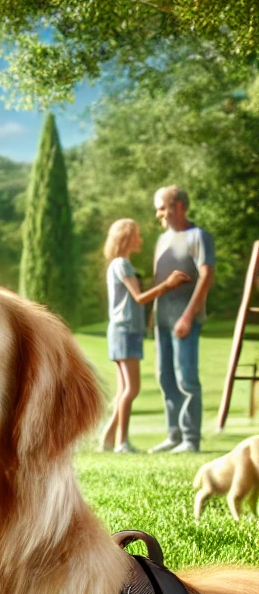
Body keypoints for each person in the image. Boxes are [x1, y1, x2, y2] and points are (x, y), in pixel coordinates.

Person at [98, 219, 191, 453]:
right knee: (132, 389)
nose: (140, 239)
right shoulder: (123, 265)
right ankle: (122, 443)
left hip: (121, 331)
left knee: (123, 391)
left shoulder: (117, 265)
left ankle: (108, 440)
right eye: (137, 235)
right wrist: (168, 285)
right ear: (127, 237)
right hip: (125, 331)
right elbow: (139, 298)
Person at [148, 185, 215, 454]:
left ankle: (190, 439)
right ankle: (173, 435)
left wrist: (187, 316)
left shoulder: (198, 236)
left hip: (185, 321)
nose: (158, 214)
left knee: (186, 378)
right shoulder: (162, 240)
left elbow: (207, 276)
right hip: (163, 321)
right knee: (165, 377)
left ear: (179, 206)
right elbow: (159, 281)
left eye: (162, 207)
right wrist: (153, 316)